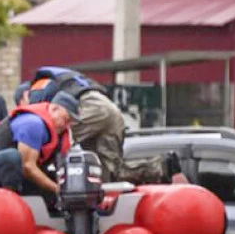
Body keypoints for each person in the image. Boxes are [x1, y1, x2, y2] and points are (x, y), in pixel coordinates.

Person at [23, 66, 184, 184]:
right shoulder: (64, 77)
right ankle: (162, 167)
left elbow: (41, 119)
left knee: (53, 140)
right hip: (110, 110)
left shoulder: (37, 86)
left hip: (89, 108)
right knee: (109, 176)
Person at [24, 66, 125, 182]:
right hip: (110, 108)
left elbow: (37, 111)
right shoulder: (67, 78)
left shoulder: (39, 84)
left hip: (88, 107)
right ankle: (148, 170)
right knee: (107, 168)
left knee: (57, 139)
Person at [0, 91, 79, 196]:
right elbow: (27, 166)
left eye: (71, 123)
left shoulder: (60, 134)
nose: (67, 126)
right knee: (13, 156)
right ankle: (11, 203)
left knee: (48, 178)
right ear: (54, 109)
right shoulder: (33, 124)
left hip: (14, 174)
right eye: (66, 119)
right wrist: (56, 189)